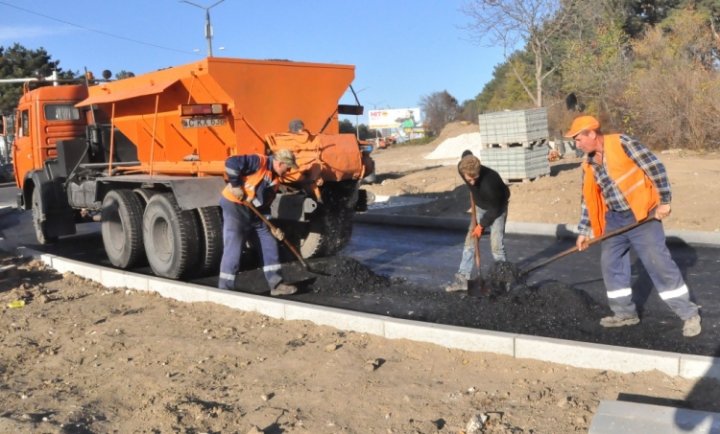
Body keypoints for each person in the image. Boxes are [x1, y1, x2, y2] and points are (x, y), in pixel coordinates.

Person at [565, 115, 701, 337]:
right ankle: (625, 314)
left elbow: (655, 168)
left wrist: (664, 201)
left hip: (641, 215)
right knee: (611, 264)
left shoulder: (622, 143)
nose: (576, 144)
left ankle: (689, 314)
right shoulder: (588, 164)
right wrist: (583, 232)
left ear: (592, 133)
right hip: (614, 219)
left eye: (578, 139)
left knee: (658, 264)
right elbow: (587, 200)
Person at [218, 149, 300, 296]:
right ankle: (225, 289)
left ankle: (276, 284)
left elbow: (264, 206)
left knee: (269, 241)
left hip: (254, 211)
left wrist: (272, 227)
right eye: (287, 168)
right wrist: (236, 186)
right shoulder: (259, 161)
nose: (288, 171)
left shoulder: (275, 181)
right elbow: (231, 163)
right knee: (235, 244)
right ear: (280, 163)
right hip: (235, 204)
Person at [446, 150, 510, 292]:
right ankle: (463, 279)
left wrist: (481, 226)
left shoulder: (490, 181)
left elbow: (495, 209)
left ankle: (503, 281)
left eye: (476, 178)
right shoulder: (461, 168)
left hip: (498, 207)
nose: (473, 182)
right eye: (469, 180)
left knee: (496, 246)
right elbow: (466, 153)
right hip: (479, 206)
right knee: (470, 243)